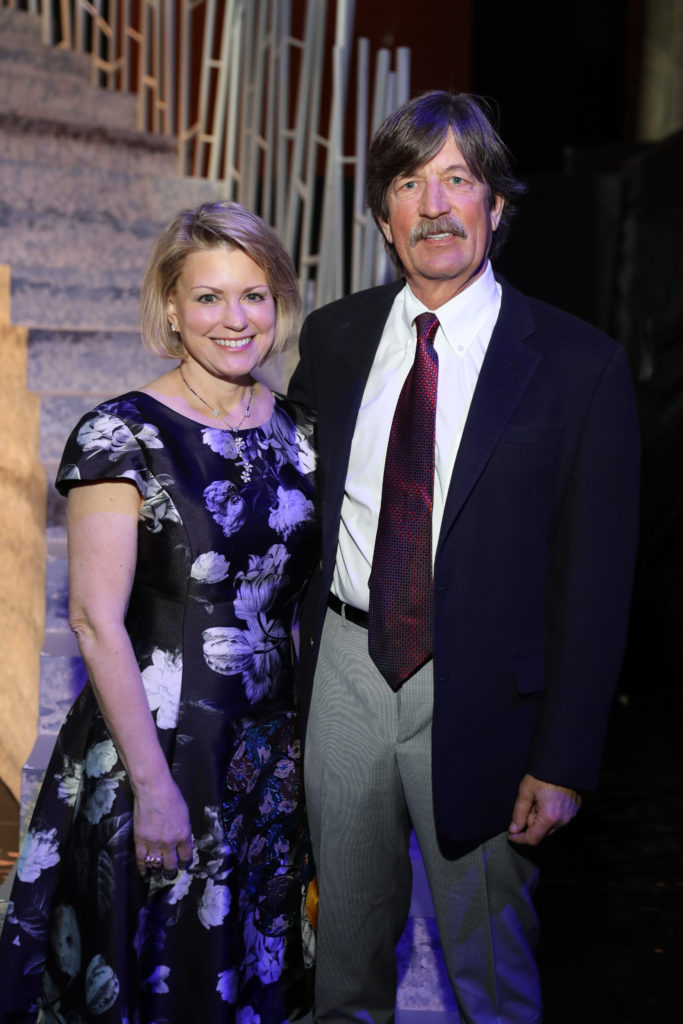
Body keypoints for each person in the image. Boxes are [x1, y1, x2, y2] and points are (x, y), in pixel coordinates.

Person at [288, 91, 640, 1023]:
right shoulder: (335, 337)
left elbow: (595, 586)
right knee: (341, 966)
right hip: (345, 680)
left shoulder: (579, 366)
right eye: (409, 183)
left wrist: (562, 759)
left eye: (457, 179)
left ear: (496, 204)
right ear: (381, 218)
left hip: (482, 695)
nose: (434, 205)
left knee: (490, 976)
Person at [0, 201, 318, 1022]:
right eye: (207, 297)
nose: (233, 318)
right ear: (171, 308)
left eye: (253, 294)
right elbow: (95, 621)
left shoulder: (302, 435)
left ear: (278, 302)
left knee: (250, 969)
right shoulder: (120, 434)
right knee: (157, 972)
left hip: (265, 761)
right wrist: (154, 789)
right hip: (159, 747)